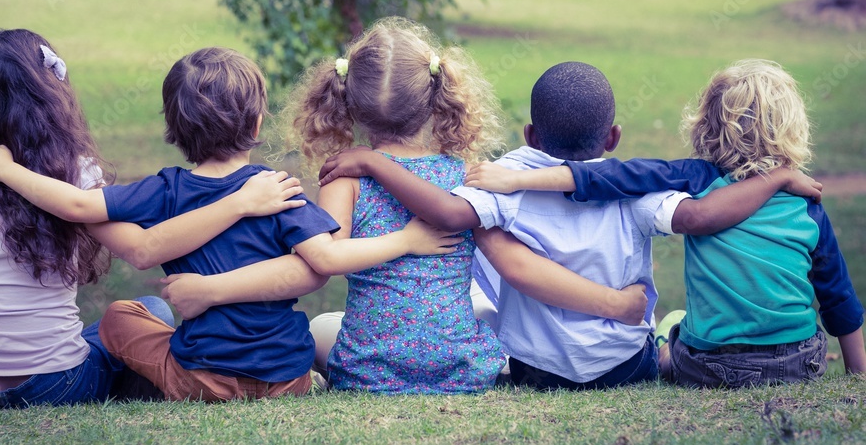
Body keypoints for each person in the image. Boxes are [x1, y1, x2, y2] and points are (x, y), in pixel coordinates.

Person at [0, 45, 457, 403]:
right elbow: (318, 267)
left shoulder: (166, 190)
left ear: (173, 129)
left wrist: (8, 171)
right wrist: (406, 239)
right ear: (257, 123)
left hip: (201, 379)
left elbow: (77, 206)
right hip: (287, 377)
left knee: (119, 317)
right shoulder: (277, 189)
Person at [319, 61, 823, 390]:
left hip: (536, 369)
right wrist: (776, 177)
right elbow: (699, 216)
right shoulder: (636, 188)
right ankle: (670, 346)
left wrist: (373, 162)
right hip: (625, 366)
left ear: (530, 134)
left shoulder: (505, 178)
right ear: (613, 137)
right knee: (670, 327)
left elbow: (450, 215)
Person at [0, 29, 307, 408]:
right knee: (151, 309)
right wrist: (239, 203)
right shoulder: (76, 175)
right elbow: (141, 249)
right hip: (59, 382)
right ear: (53, 95)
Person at [465, 59, 862, 388]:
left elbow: (607, 177)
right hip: (789, 363)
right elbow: (837, 296)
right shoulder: (805, 205)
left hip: (554, 369)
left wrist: (516, 180)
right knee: (672, 328)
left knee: (675, 330)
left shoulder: (693, 179)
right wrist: (857, 376)